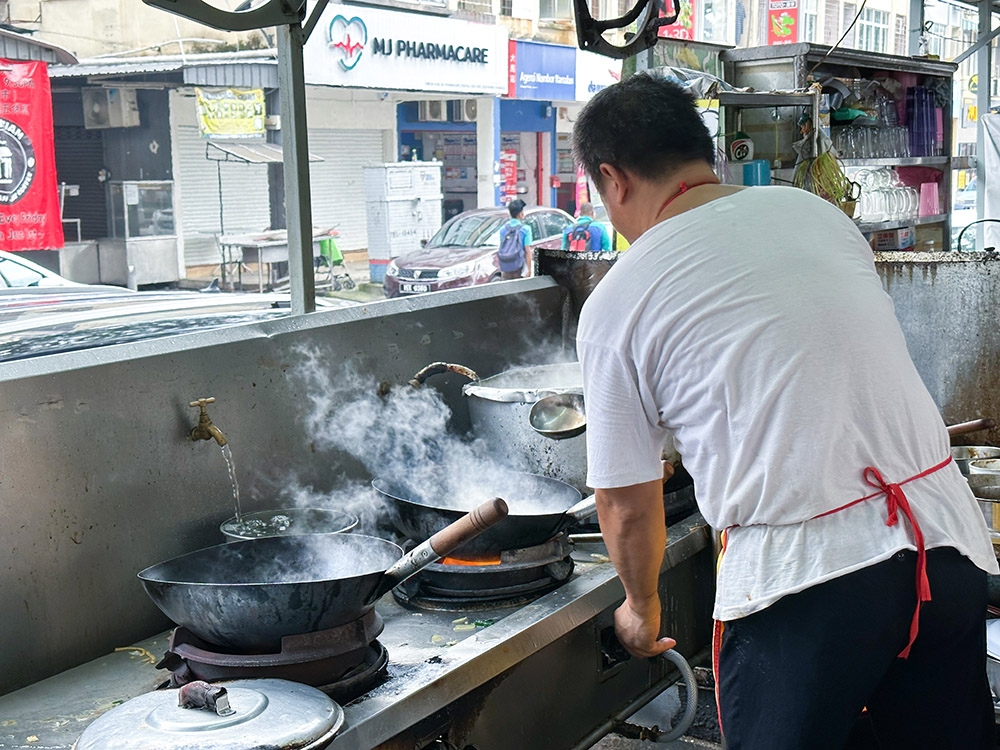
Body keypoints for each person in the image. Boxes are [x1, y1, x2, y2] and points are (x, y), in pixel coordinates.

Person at [573, 72, 999, 749]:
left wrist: (640, 608)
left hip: (805, 584)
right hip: (943, 548)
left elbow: (626, 503)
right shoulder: (816, 214)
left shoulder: (618, 301)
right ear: (701, 152)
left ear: (613, 181)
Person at [498, 198, 533, 280]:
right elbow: (527, 251)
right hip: (519, 267)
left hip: (506, 267)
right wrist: (529, 269)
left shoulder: (503, 229)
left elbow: (502, 248)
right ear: (520, 214)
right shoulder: (525, 229)